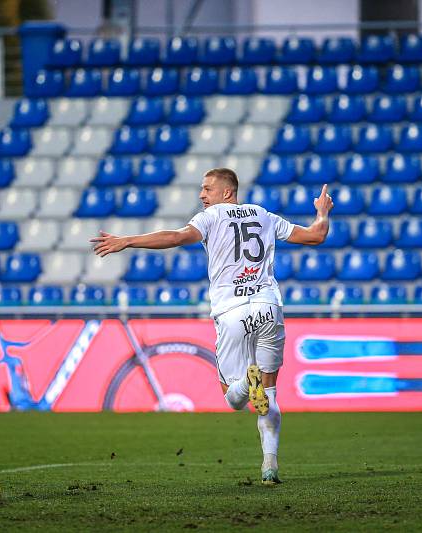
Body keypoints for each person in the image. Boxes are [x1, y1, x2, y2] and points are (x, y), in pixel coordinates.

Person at [91, 167, 333, 484]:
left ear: (227, 192)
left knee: (234, 400)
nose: (202, 195)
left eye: (207, 189)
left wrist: (129, 241)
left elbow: (176, 237)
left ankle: (249, 383)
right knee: (271, 394)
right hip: (268, 307)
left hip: (232, 312)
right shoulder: (264, 215)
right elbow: (316, 235)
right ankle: (269, 465)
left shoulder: (211, 217)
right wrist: (322, 212)